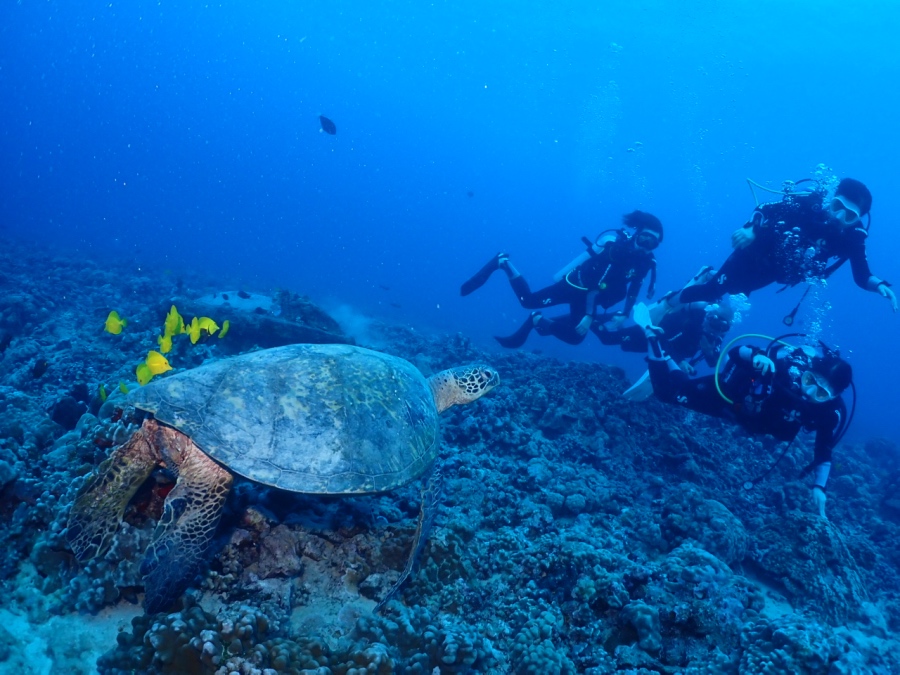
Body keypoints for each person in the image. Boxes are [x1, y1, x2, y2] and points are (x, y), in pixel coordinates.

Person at [634, 303, 851, 519]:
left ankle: (667, 358)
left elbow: (823, 450)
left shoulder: (828, 413)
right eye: (809, 380)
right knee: (665, 393)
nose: (809, 392)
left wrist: (819, 488)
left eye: (821, 393)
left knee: (678, 390)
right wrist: (756, 356)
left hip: (749, 420)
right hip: (729, 399)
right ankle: (654, 340)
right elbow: (736, 352)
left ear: (832, 397)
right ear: (806, 372)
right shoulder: (785, 368)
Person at [678, 177, 897, 312]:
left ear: (857, 219)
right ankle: (671, 301)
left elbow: (862, 275)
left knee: (738, 293)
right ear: (831, 199)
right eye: (837, 206)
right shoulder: (809, 205)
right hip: (755, 251)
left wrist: (879, 286)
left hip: (777, 272)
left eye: (849, 215)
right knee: (711, 292)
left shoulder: (853, 237)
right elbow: (766, 208)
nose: (839, 217)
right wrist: (751, 229)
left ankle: (711, 276)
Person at [461, 211, 663, 348]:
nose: (646, 245)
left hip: (587, 299)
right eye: (644, 237)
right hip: (573, 286)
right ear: (637, 233)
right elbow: (596, 282)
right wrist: (590, 315)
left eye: (652, 242)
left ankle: (537, 320)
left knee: (575, 337)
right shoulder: (616, 250)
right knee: (527, 301)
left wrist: (625, 313)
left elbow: (635, 286)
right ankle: (502, 262)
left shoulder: (646, 262)